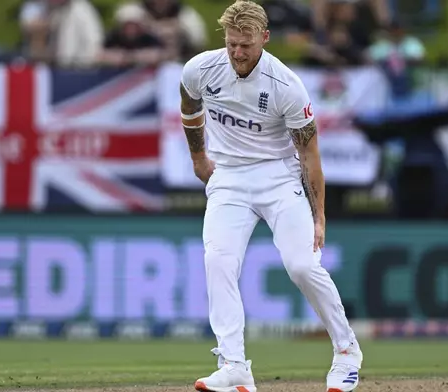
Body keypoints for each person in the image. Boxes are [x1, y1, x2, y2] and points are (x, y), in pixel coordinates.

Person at [178, 1, 363, 391]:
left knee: (301, 266)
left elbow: (309, 154)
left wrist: (319, 215)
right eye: (231, 44)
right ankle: (234, 365)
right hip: (228, 176)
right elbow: (188, 102)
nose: (237, 53)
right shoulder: (201, 68)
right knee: (218, 260)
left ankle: (346, 351)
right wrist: (199, 157)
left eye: (245, 45)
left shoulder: (285, 86)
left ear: (264, 38)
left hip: (279, 178)